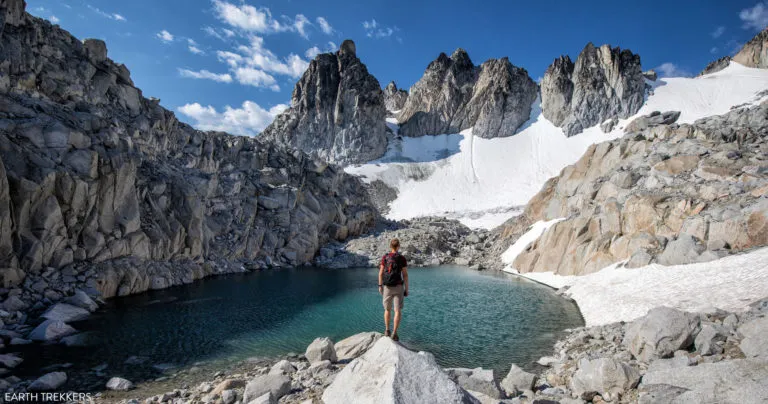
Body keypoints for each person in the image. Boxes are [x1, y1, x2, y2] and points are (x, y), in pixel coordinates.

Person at [378, 238, 409, 341]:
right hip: (399, 287)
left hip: (387, 287)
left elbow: (381, 273)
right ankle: (394, 333)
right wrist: (406, 289)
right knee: (397, 310)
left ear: (390, 246)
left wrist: (380, 285)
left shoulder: (385, 257)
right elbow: (405, 275)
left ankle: (387, 330)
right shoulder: (402, 258)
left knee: (387, 309)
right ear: (398, 246)